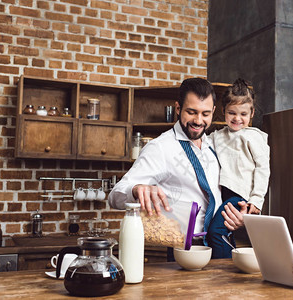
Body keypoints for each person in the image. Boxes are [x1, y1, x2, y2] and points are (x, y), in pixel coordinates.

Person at [109, 77, 234, 258]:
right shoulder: (160, 147)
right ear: (178, 108)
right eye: (191, 112)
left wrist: (236, 217)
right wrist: (136, 189)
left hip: (222, 242)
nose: (199, 121)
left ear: (214, 111)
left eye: (205, 114)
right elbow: (115, 195)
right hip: (185, 250)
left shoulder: (214, 145)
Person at [207, 78, 270, 258]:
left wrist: (256, 200)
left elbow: (263, 169)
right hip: (221, 194)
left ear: (252, 114)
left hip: (240, 196)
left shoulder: (254, 137)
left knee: (217, 231)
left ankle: (223, 270)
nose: (237, 118)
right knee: (223, 231)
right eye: (232, 113)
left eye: (243, 114)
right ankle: (234, 263)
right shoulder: (216, 136)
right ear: (223, 112)